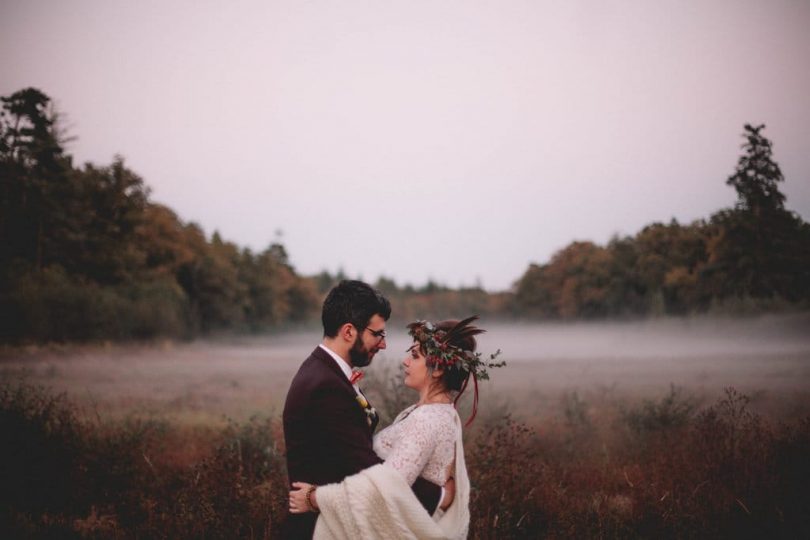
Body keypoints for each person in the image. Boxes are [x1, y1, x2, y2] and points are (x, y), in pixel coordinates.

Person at [289, 316, 504, 540]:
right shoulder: (438, 412)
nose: (405, 362)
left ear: (438, 369)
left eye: (415, 355)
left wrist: (316, 498)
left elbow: (386, 488)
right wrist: (441, 495)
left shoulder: (427, 420)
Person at [281, 280, 449, 539]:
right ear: (349, 332)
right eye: (377, 334)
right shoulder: (326, 386)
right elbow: (367, 470)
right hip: (319, 529)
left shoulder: (326, 373)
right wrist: (440, 495)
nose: (383, 344)